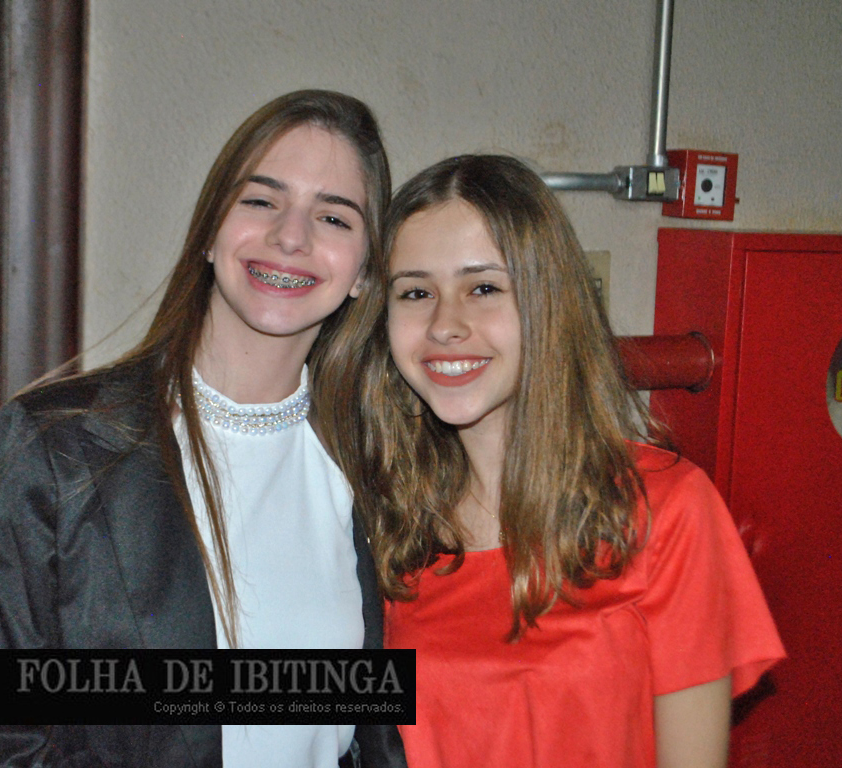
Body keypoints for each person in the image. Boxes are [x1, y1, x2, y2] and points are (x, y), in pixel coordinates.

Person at [0, 90, 406, 768]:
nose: (292, 236)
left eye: (334, 216)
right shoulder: (57, 444)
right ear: (209, 231)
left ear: (365, 271)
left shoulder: (375, 460)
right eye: (262, 200)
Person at [314, 154, 785, 768]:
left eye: (483, 288)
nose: (445, 324)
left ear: (547, 303)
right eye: (416, 292)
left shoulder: (664, 511)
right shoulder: (387, 522)